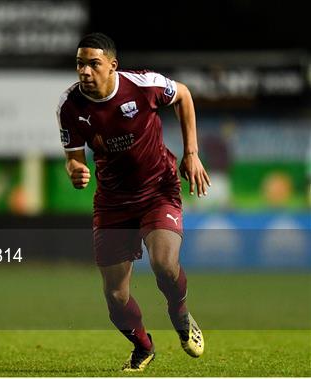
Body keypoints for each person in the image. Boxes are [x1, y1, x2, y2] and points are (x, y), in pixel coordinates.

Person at [56, 33, 210, 372]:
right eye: (80, 63)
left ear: (112, 66)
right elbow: (74, 158)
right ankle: (143, 346)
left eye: (93, 63)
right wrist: (76, 169)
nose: (84, 70)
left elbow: (183, 94)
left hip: (158, 189)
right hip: (112, 202)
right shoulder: (70, 108)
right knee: (115, 297)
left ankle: (180, 313)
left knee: (164, 265)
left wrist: (191, 153)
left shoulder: (143, 85)